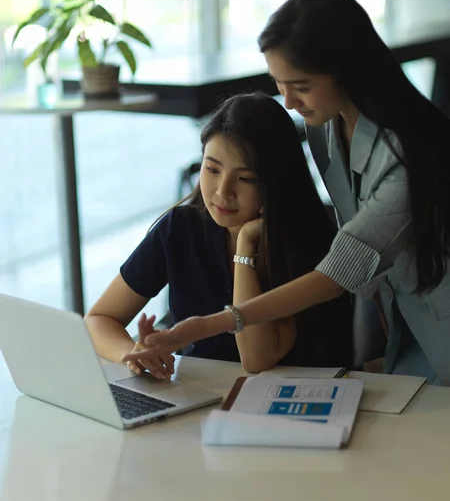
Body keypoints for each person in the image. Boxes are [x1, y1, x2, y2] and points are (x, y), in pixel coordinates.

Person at [125, 0, 450, 386]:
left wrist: (206, 325)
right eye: (279, 82)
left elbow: (339, 272)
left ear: (346, 69)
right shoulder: (325, 127)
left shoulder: (408, 152)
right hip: (406, 315)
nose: (289, 101)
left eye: (301, 84)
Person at [86, 91, 353, 378]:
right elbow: (99, 319)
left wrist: (245, 245)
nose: (223, 192)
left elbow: (256, 359)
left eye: (244, 178)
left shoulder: (306, 240)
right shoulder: (181, 228)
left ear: (275, 181)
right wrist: (132, 355)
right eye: (212, 169)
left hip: (293, 403)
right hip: (202, 398)